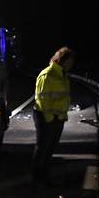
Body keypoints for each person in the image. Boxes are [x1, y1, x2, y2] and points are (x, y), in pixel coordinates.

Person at [32, 47, 75, 185]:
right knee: (42, 148)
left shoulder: (62, 75)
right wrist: (50, 119)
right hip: (46, 118)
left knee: (50, 149)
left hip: (58, 118)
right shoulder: (47, 74)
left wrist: (61, 117)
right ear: (63, 60)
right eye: (70, 61)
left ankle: (44, 175)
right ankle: (37, 177)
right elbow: (42, 100)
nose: (71, 65)